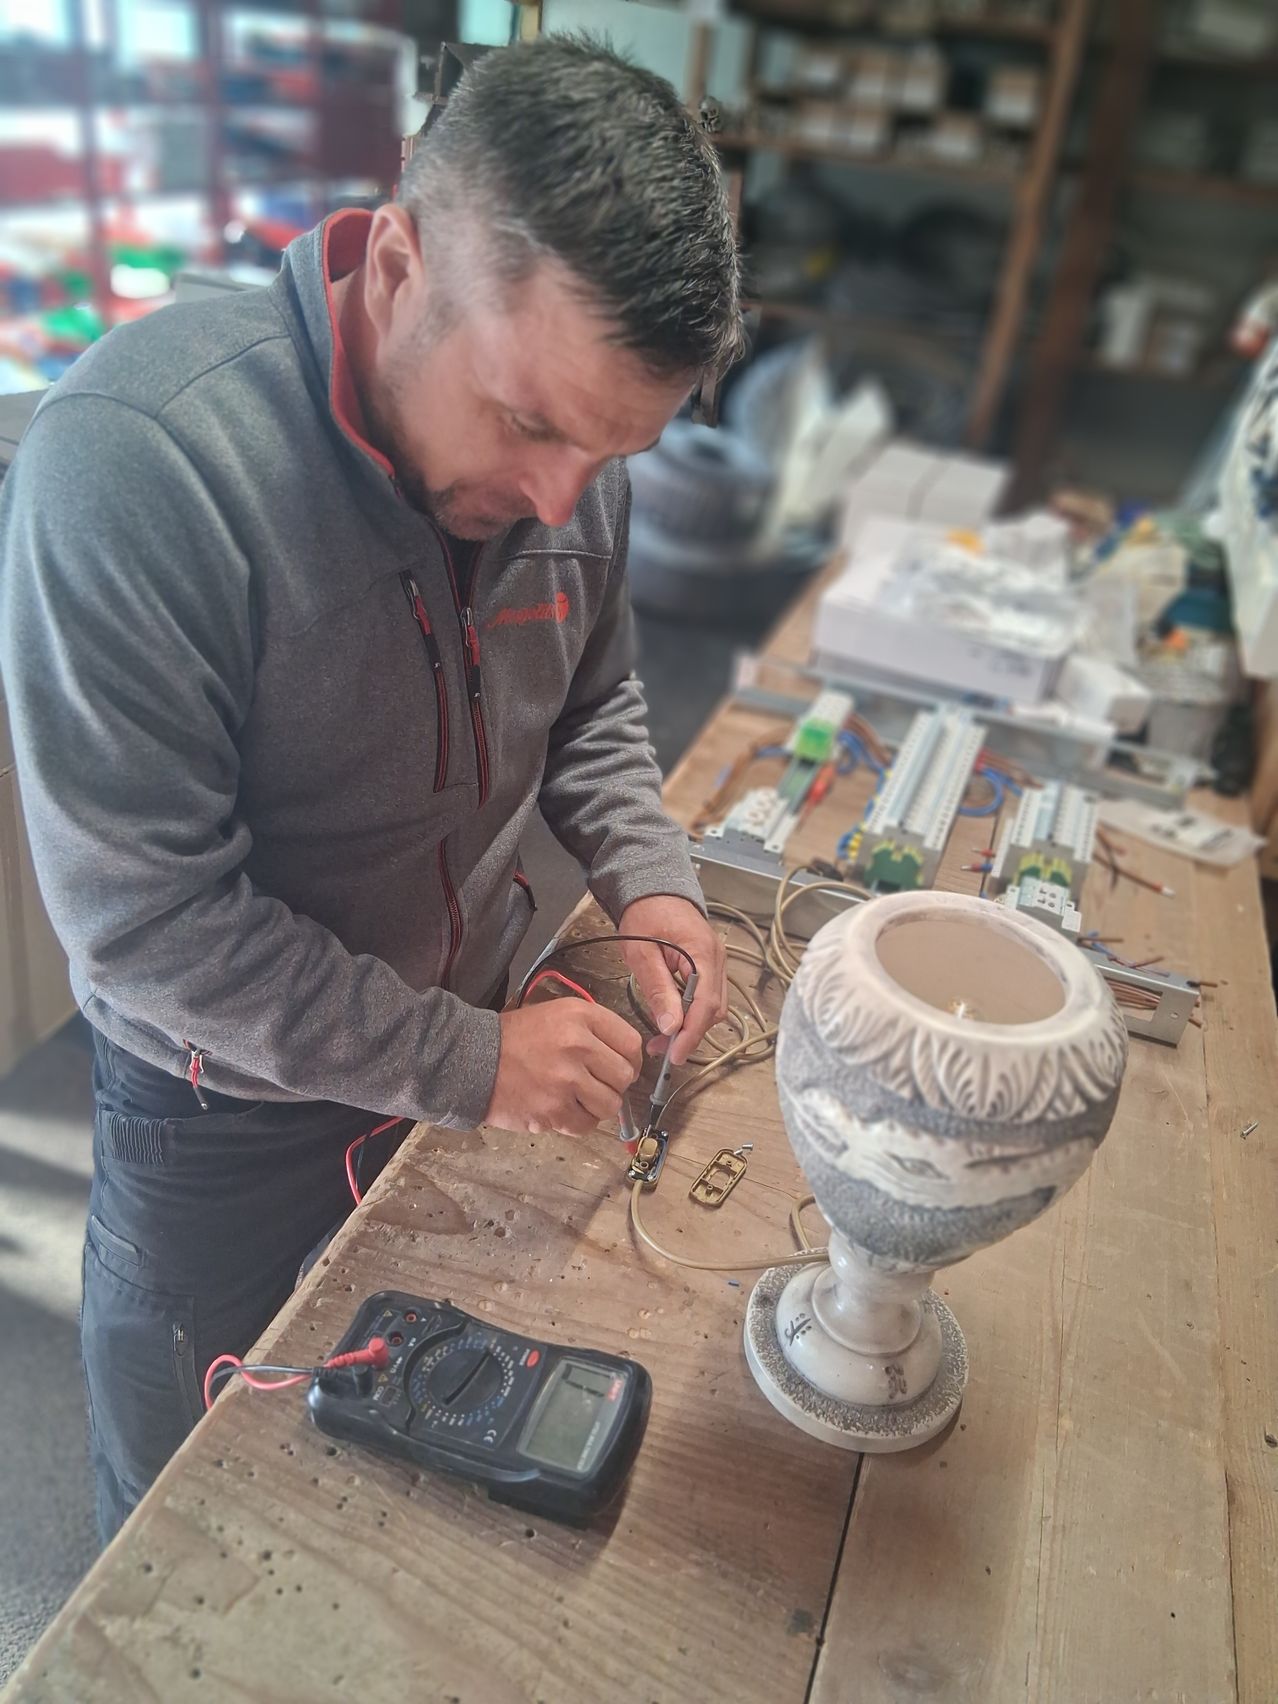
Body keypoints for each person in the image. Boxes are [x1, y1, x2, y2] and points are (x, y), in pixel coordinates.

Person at [0, 35, 742, 1542]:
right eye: (531, 424)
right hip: (224, 1120)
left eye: (613, 452)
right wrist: (474, 1065)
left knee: (405, 1509)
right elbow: (150, 935)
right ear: (396, 263)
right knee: (186, 1525)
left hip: (464, 1048)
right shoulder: (139, 465)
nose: (560, 499)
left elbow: (589, 699)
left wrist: (649, 872)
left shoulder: (568, 447)